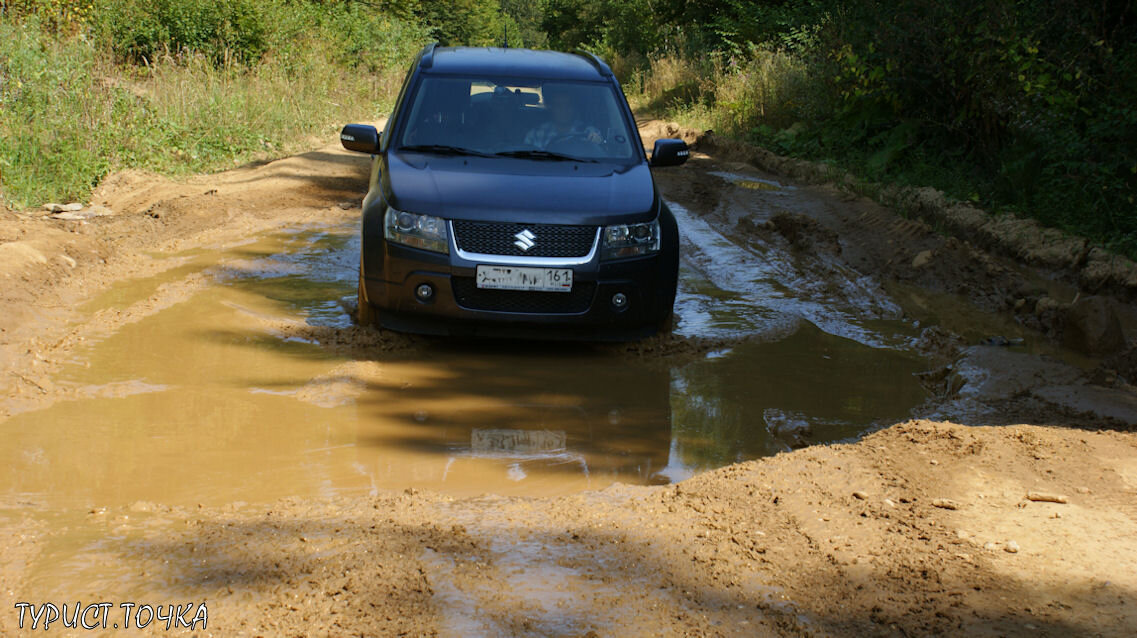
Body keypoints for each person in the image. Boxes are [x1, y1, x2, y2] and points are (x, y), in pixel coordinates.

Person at [525, 86, 603, 149]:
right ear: (551, 108)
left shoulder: (589, 133)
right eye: (558, 106)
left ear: (574, 108)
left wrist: (598, 143)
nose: (564, 110)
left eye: (568, 105)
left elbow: (603, 159)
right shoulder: (535, 135)